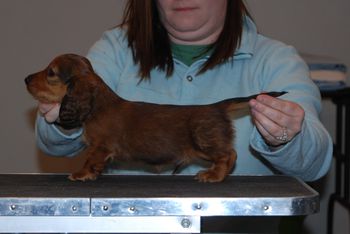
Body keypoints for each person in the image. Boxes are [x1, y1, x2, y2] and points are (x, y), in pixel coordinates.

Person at [36, 0, 332, 182]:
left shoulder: (276, 59)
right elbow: (53, 144)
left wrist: (285, 136)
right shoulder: (115, 50)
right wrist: (60, 117)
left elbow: (316, 162)